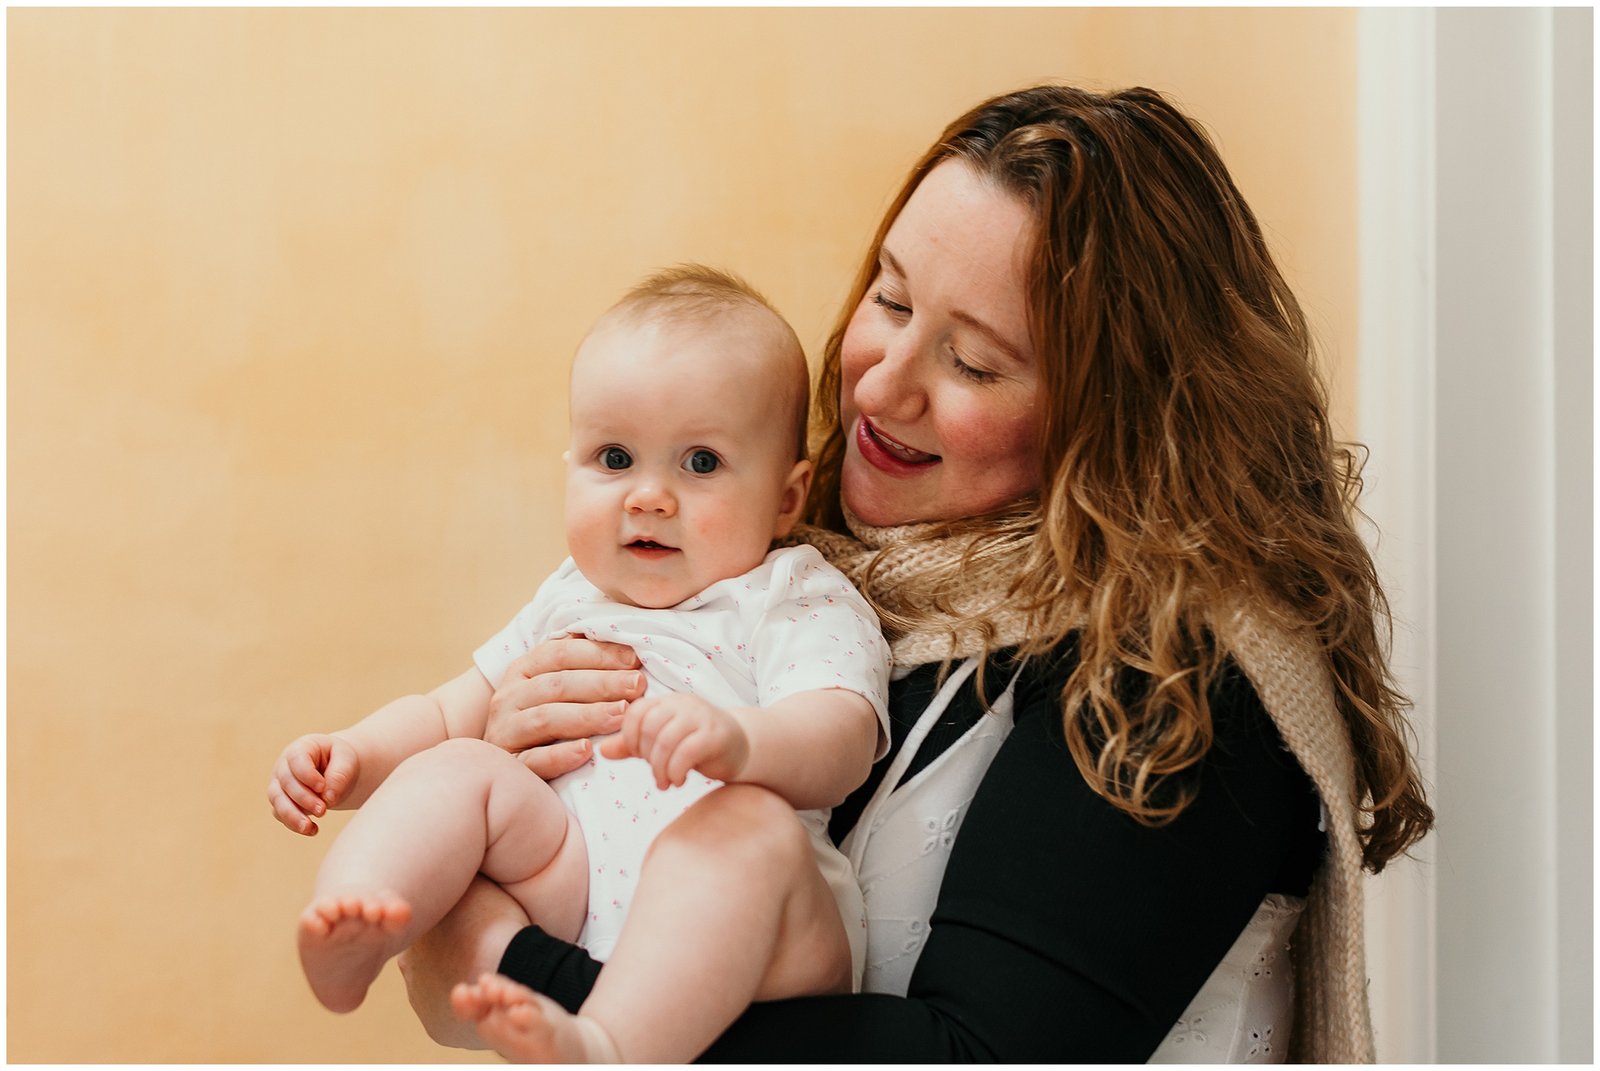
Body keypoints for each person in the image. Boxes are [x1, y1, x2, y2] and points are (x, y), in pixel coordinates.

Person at [402, 83, 1435, 1063]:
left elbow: (977, 1059)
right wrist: (533, 783)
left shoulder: (1174, 670)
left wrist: (511, 967)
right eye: (891, 302)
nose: (882, 387)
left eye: (975, 363)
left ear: (1118, 417)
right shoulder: (812, 592)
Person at [266, 265, 892, 1061]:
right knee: (459, 764)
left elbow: (838, 734)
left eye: (700, 463)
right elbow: (447, 710)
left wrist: (743, 742)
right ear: (570, 462)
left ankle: (608, 1042)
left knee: (753, 827)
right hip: (575, 876)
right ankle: (356, 918)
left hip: (758, 926)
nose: (649, 497)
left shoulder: (789, 592)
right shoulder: (571, 596)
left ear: (786, 496)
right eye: (615, 456)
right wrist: (352, 757)